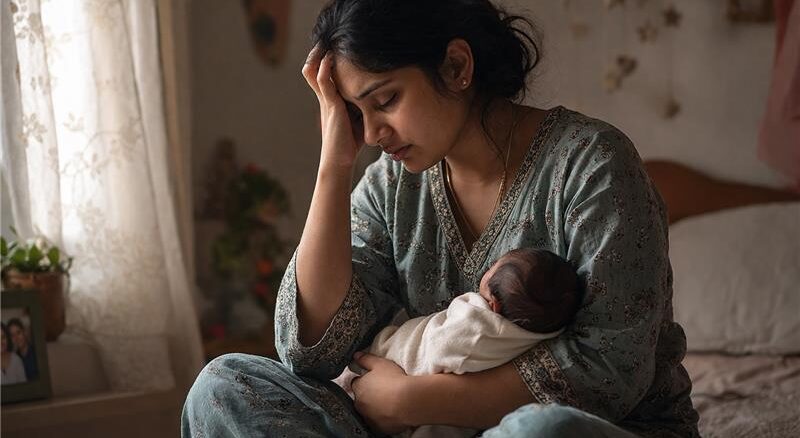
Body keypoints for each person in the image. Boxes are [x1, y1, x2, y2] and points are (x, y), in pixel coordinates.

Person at [182, 1, 700, 437]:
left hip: (597, 427)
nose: (371, 134)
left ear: (456, 66)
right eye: (355, 114)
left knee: (538, 431)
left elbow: (610, 370)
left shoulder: (592, 165)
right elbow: (308, 351)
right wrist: (333, 168)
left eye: (384, 100)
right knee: (224, 387)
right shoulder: (388, 186)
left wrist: (418, 401)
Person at [335, 247, 581, 438]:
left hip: (395, 368)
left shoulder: (474, 326)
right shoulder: (539, 332)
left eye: (493, 267)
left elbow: (439, 345)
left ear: (493, 304)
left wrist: (406, 396)